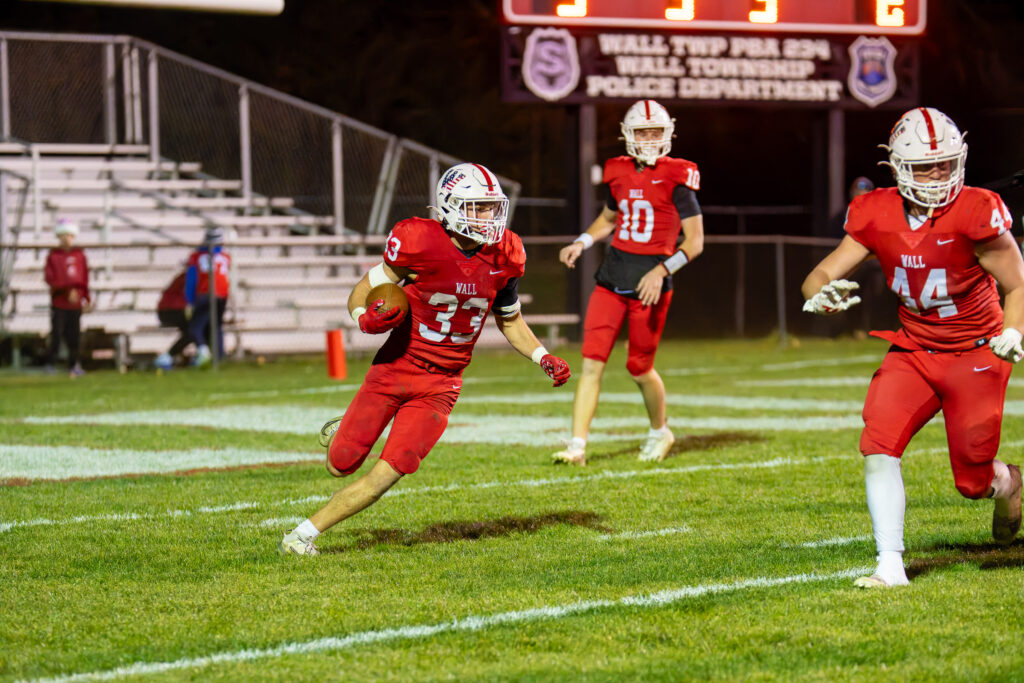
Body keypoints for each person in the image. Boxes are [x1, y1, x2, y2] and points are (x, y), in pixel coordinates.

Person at [278, 163, 572, 556]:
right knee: (340, 464)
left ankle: (301, 536)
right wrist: (363, 317)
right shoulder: (418, 241)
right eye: (478, 207)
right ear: (450, 206)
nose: (488, 217)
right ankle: (343, 431)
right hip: (396, 367)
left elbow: (510, 319)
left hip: (442, 384)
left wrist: (542, 355)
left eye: (491, 207)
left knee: (391, 470)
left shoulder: (506, 254)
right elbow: (363, 290)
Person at [801, 107, 1023, 588]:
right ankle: (890, 565)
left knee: (972, 482)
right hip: (916, 348)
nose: (938, 174)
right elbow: (821, 273)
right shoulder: (875, 211)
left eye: (945, 164)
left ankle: (1009, 483)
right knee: (878, 442)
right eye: (925, 167)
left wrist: (1014, 332)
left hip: (977, 351)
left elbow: (1017, 283)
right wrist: (818, 295)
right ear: (899, 168)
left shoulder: (976, 210)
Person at [552, 99, 704, 466]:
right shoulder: (618, 171)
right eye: (643, 133)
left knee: (639, 367)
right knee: (592, 362)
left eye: (655, 133)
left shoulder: (678, 176)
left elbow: (695, 242)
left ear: (667, 134)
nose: (649, 139)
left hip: (651, 281)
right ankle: (577, 446)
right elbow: (608, 219)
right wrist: (581, 242)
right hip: (613, 274)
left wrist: (662, 271)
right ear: (628, 135)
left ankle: (660, 431)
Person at [44, 218, 92, 377]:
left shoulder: (80, 255)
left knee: (74, 335)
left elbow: (84, 278)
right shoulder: (53, 255)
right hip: (60, 301)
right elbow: (50, 278)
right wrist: (66, 291)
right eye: (63, 235)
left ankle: (73, 364)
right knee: (57, 334)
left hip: (75, 303)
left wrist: (86, 297)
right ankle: (51, 363)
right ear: (59, 236)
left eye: (69, 235)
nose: (66, 238)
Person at [184, 227, 230, 366]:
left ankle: (204, 354)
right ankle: (219, 358)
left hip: (206, 293)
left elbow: (191, 279)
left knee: (195, 328)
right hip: (222, 294)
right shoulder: (225, 256)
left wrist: (189, 300)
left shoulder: (197, 257)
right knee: (216, 326)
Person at [154, 270, 190, 370]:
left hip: (167, 310)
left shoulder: (184, 275)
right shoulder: (190, 276)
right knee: (193, 331)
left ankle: (171, 355)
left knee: (194, 331)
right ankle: (169, 356)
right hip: (171, 310)